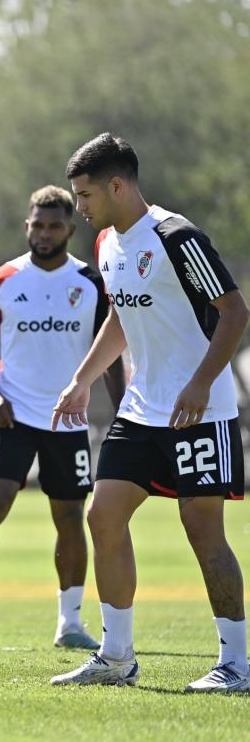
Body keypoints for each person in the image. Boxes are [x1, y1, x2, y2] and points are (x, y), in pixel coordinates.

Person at [51, 132, 249, 692]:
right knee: (103, 516)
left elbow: (234, 314)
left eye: (85, 195)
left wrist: (200, 384)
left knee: (202, 531)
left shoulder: (175, 236)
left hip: (199, 411)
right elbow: (121, 315)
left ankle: (235, 664)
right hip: (141, 411)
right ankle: (117, 657)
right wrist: (82, 381)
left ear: (117, 185)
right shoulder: (108, 244)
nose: (80, 207)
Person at [0, 186, 125, 648]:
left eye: (54, 225)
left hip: (67, 418)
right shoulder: (2, 279)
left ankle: (70, 623)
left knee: (69, 515)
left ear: (70, 228)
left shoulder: (90, 282)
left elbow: (111, 352)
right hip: (13, 413)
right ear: (27, 226)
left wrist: (122, 410)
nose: (44, 234)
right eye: (37, 225)